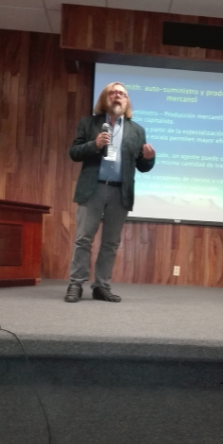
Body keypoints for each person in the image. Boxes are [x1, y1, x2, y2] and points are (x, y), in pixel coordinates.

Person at [65, 82, 156, 303]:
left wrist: (149, 159)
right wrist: (94, 145)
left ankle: (101, 286)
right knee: (83, 239)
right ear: (105, 98)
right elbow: (74, 152)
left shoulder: (137, 130)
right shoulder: (89, 123)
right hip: (93, 189)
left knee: (110, 243)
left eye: (122, 94)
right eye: (113, 93)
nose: (118, 96)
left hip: (119, 193)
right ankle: (76, 284)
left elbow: (142, 166)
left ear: (127, 101)